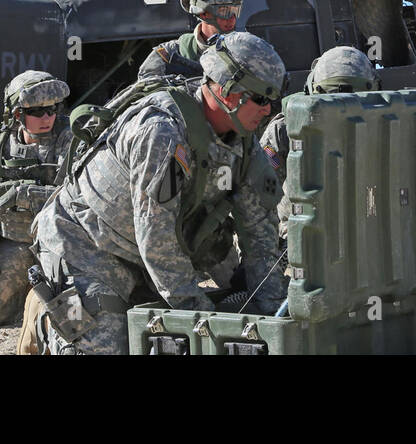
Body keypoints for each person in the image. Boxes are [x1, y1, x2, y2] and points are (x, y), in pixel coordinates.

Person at [30, 31, 286, 354]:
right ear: (227, 92)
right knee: (108, 346)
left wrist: (273, 313)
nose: (268, 110)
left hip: (143, 260)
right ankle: (48, 319)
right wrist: (200, 317)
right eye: (261, 99)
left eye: (272, 100)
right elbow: (157, 236)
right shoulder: (162, 131)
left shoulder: (245, 142)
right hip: (85, 244)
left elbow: (260, 231)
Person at [0, 71, 72, 333]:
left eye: (52, 109)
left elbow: (77, 198)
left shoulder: (71, 140)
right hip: (16, 247)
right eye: (37, 112)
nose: (47, 118)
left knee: (74, 320)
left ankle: (34, 297)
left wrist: (24, 194)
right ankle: (22, 297)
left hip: (64, 249)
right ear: (18, 114)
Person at [261, 46, 378, 238]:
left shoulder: (386, 126)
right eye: (332, 100)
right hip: (297, 241)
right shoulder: (286, 129)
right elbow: (259, 192)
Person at [137, 0, 243, 79]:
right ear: (204, 14)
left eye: (235, 11)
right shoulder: (170, 54)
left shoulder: (245, 51)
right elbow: (146, 89)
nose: (232, 19)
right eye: (225, 12)